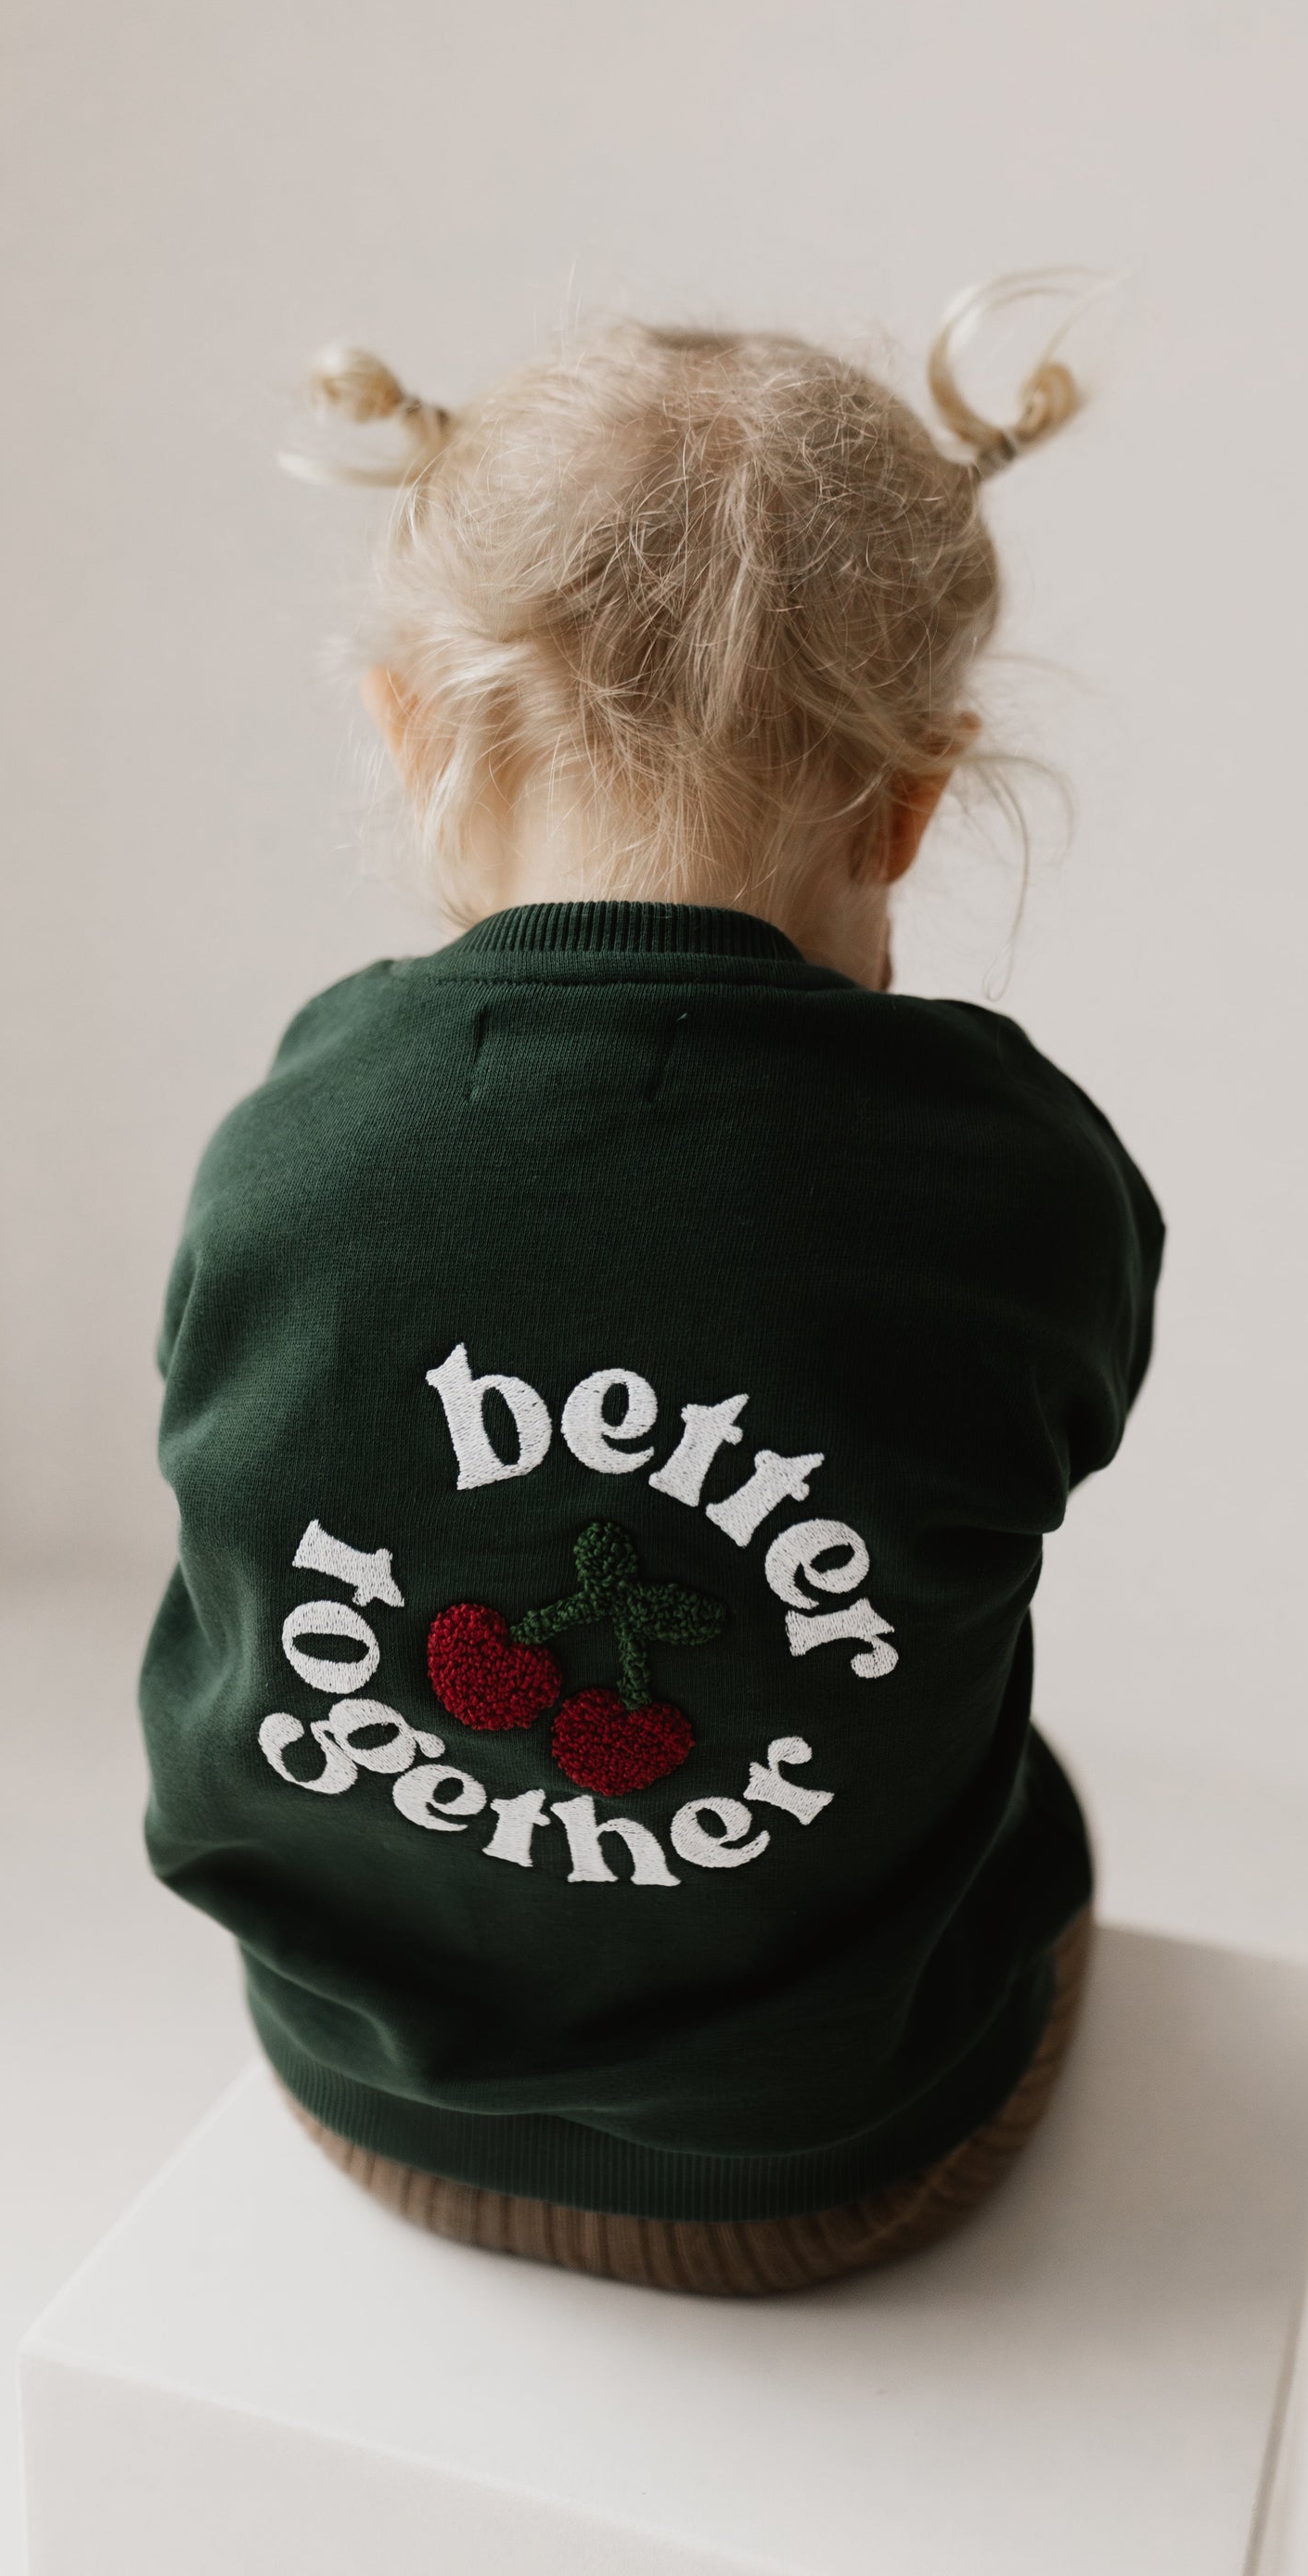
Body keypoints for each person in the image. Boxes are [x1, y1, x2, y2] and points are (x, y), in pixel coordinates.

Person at [140, 291, 1164, 2296]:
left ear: (413, 734)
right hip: (845, 2158)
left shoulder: (293, 1143)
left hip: (363, 2094)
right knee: (1014, 1785)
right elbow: (1037, 1457)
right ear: (912, 802)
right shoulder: (1009, 1177)